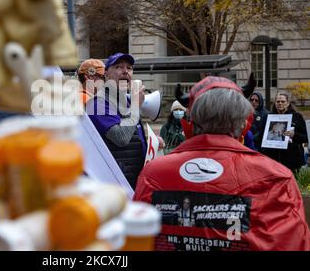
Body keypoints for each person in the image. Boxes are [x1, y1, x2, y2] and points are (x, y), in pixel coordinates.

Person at [134, 76, 310, 251]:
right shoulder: (277, 177)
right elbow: (293, 242)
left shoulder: (153, 173)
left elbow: (134, 237)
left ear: (191, 119)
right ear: (243, 122)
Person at [86, 53, 147, 189]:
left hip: (132, 179)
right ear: (106, 75)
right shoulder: (97, 105)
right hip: (115, 183)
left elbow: (134, 136)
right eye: (119, 67)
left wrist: (151, 144)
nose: (125, 71)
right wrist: (136, 106)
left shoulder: (128, 102)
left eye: (129, 68)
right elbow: (121, 138)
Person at [261, 92, 308, 171]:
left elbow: (305, 138)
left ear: (288, 103)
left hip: (292, 159)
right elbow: (261, 136)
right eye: (278, 101)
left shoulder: (297, 117)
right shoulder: (268, 117)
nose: (280, 103)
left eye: (283, 101)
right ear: (275, 103)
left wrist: (294, 135)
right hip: (272, 159)